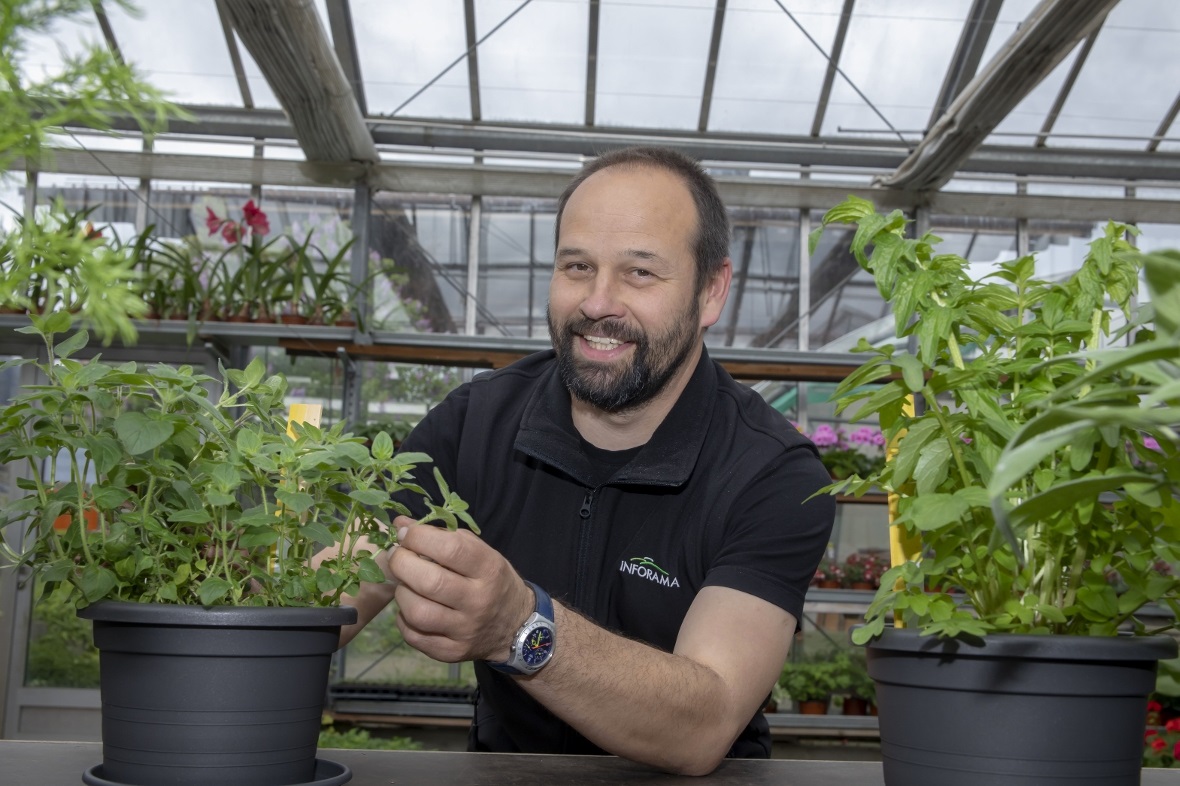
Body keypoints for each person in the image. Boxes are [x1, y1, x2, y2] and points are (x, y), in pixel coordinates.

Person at [336, 146, 835, 775]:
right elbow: (327, 594)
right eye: (577, 266)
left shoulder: (772, 473)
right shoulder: (474, 425)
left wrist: (520, 629)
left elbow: (706, 722)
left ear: (711, 292)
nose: (599, 302)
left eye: (640, 273)